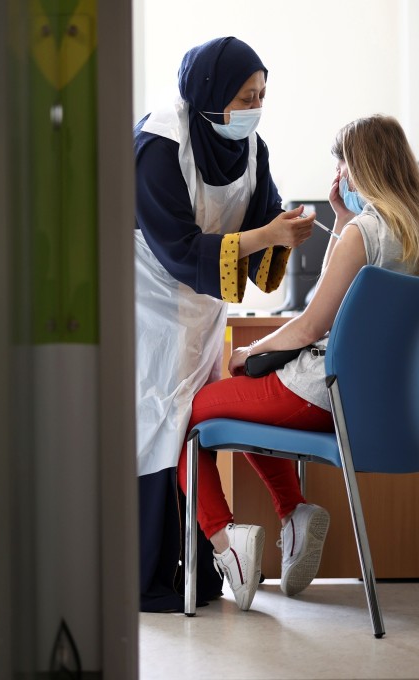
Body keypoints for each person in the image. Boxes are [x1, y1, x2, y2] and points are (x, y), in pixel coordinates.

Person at [179, 113, 419, 611]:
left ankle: (225, 542)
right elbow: (336, 308)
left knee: (189, 414)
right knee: (243, 402)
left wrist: (248, 352)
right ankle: (293, 513)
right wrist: (341, 221)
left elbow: (309, 327)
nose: (340, 172)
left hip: (320, 394)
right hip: (383, 411)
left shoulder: (366, 232)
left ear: (359, 166)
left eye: (343, 162)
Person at [133, 36, 315, 612]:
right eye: (246, 96)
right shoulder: (157, 145)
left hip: (202, 311)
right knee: (152, 432)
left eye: (262, 95)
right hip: (144, 306)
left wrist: (287, 230)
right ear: (209, 94)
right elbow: (180, 249)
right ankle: (152, 576)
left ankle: (207, 564)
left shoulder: (249, 146)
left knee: (188, 424)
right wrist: (265, 237)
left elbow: (264, 231)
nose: (255, 108)